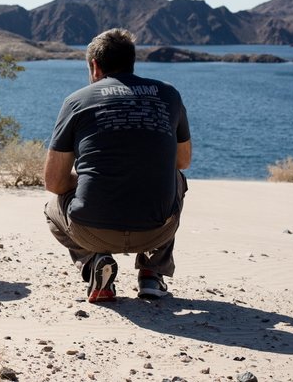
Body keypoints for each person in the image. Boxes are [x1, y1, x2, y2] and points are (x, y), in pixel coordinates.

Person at [44, 28, 191, 303]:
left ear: (95, 66)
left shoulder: (77, 101)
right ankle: (151, 273)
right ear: (132, 62)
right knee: (175, 178)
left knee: (52, 208)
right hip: (155, 231)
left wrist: (85, 179)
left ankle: (94, 263)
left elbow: (54, 182)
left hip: (91, 232)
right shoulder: (169, 95)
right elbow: (183, 161)